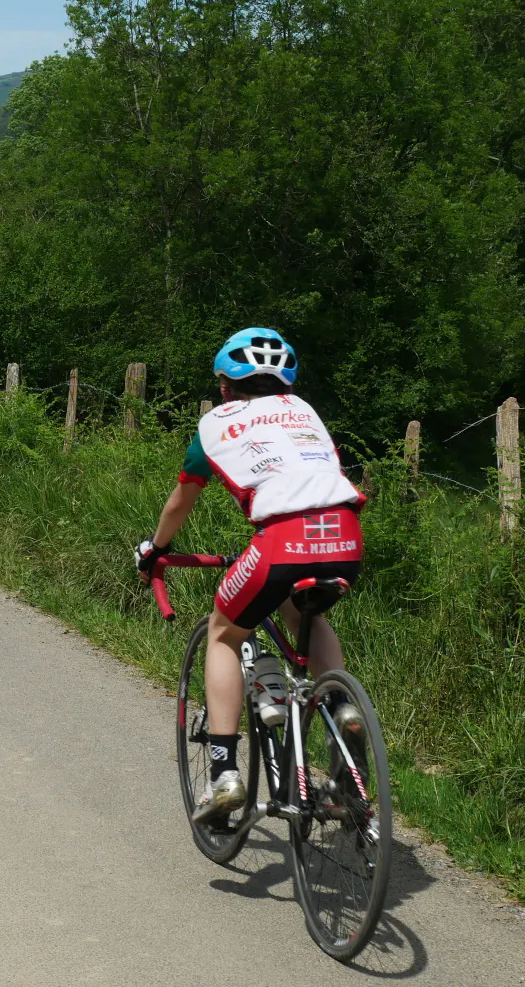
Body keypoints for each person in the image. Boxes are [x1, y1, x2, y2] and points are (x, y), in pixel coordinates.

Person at [134, 327, 366, 821]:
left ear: (224, 387)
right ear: (287, 383)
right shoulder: (306, 413)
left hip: (280, 540)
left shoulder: (215, 423)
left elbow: (182, 500)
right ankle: (340, 705)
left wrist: (156, 549)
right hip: (344, 533)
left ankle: (224, 776)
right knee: (305, 613)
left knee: (221, 633)